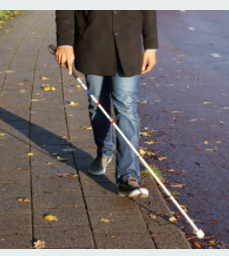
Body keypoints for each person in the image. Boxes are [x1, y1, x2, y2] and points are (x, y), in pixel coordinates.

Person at [55, 11, 158, 199]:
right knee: (97, 106)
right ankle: (104, 151)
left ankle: (128, 177)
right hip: (93, 44)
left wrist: (151, 46)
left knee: (127, 109)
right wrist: (64, 43)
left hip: (128, 46)